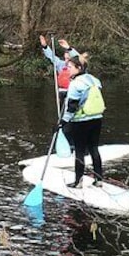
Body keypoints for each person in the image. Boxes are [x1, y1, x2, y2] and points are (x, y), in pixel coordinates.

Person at [58, 53, 105, 189]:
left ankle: (78, 182)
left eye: (71, 67)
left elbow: (71, 108)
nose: (68, 69)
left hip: (81, 121)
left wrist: (62, 122)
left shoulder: (75, 84)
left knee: (79, 151)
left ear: (78, 68)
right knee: (94, 149)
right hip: (97, 118)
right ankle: (99, 179)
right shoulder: (95, 80)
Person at [39, 35, 79, 113]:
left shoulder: (78, 67)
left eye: (69, 59)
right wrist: (45, 47)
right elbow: (51, 56)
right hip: (63, 92)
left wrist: (69, 48)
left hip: (74, 92)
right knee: (63, 109)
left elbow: (79, 58)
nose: (67, 61)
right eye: (66, 58)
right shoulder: (61, 64)